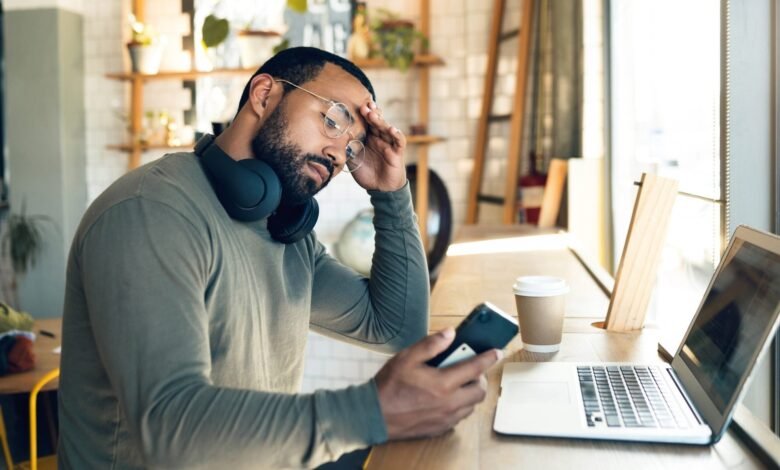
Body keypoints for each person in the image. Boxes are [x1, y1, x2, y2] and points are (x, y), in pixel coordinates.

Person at [58, 47, 500, 469]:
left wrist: (391, 193)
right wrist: (374, 410)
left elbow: (396, 327)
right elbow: (169, 430)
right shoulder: (150, 212)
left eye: (353, 147)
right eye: (333, 120)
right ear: (264, 94)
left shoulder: (285, 234)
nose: (338, 154)